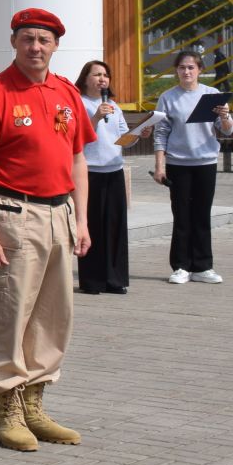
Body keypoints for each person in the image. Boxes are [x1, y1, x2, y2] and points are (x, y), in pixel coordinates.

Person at [0, 8, 92, 453]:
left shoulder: (66, 93)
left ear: (56, 45)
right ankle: (7, 409)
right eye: (27, 39)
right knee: (11, 312)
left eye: (43, 40)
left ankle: (35, 402)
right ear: (14, 42)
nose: (35, 47)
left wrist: (82, 220)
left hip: (59, 214)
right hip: (13, 215)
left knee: (53, 316)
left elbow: (78, 158)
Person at [152, 50, 233, 284]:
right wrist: (160, 166)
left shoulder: (213, 94)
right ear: (176, 71)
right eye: (182, 68)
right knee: (181, 215)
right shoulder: (168, 97)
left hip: (206, 162)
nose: (186, 72)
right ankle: (181, 266)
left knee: (202, 214)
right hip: (178, 164)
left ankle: (203, 266)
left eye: (191, 67)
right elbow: (160, 134)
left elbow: (227, 129)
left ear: (199, 70)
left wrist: (226, 115)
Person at [76, 59, 140, 296]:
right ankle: (92, 280)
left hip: (114, 171)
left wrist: (138, 133)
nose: (102, 79)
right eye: (97, 74)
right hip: (90, 173)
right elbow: (78, 138)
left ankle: (115, 278)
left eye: (105, 75)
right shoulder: (79, 103)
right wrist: (94, 117)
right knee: (92, 226)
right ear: (85, 79)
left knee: (115, 226)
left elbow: (124, 138)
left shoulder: (114, 105)